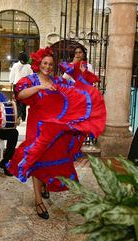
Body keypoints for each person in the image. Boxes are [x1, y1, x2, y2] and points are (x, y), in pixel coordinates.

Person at [7, 47, 106, 220]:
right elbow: (20, 95)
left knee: (50, 158)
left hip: (56, 128)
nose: (48, 66)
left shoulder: (58, 81)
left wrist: (80, 74)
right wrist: (40, 86)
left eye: (51, 64)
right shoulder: (29, 80)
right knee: (37, 158)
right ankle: (38, 200)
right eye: (45, 63)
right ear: (39, 64)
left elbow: (76, 90)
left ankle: (45, 184)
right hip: (37, 127)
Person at [9, 51, 33, 121]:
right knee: (24, 102)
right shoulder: (29, 67)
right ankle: (23, 117)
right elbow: (31, 76)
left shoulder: (15, 65)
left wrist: (11, 81)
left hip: (16, 84)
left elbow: (12, 75)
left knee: (17, 101)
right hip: (25, 85)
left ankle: (18, 115)